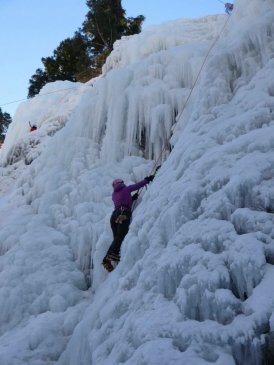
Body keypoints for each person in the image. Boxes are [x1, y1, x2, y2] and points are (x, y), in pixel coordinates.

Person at [102, 175, 155, 272]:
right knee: (121, 236)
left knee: (116, 238)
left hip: (114, 216)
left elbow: (121, 201)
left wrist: (132, 199)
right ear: (121, 183)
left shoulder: (114, 194)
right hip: (123, 213)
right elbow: (138, 185)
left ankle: (112, 257)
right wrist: (147, 180)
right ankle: (108, 258)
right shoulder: (126, 189)